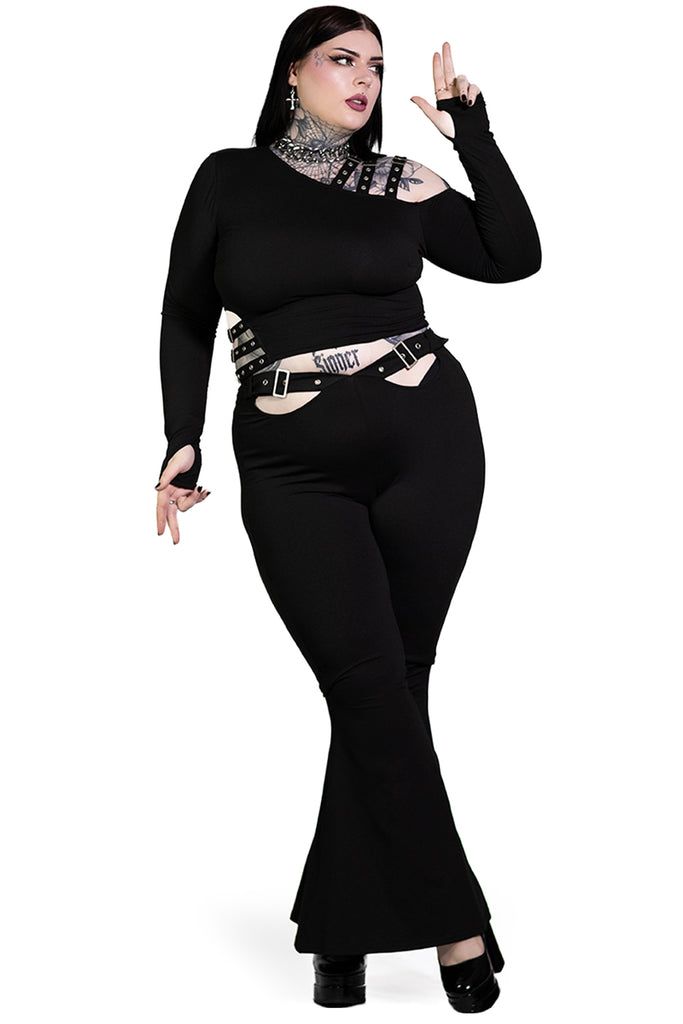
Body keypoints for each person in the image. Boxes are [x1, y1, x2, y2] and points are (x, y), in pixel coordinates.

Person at [154, 5, 541, 1012]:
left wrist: (471, 137)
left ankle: (341, 929)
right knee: (368, 686)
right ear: (292, 73)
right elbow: (187, 310)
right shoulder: (229, 178)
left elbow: (510, 255)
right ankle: (457, 923)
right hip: (292, 466)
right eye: (341, 60)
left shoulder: (398, 181)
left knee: (387, 689)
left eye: (374, 63)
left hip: (428, 443)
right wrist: (181, 435)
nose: (363, 78)